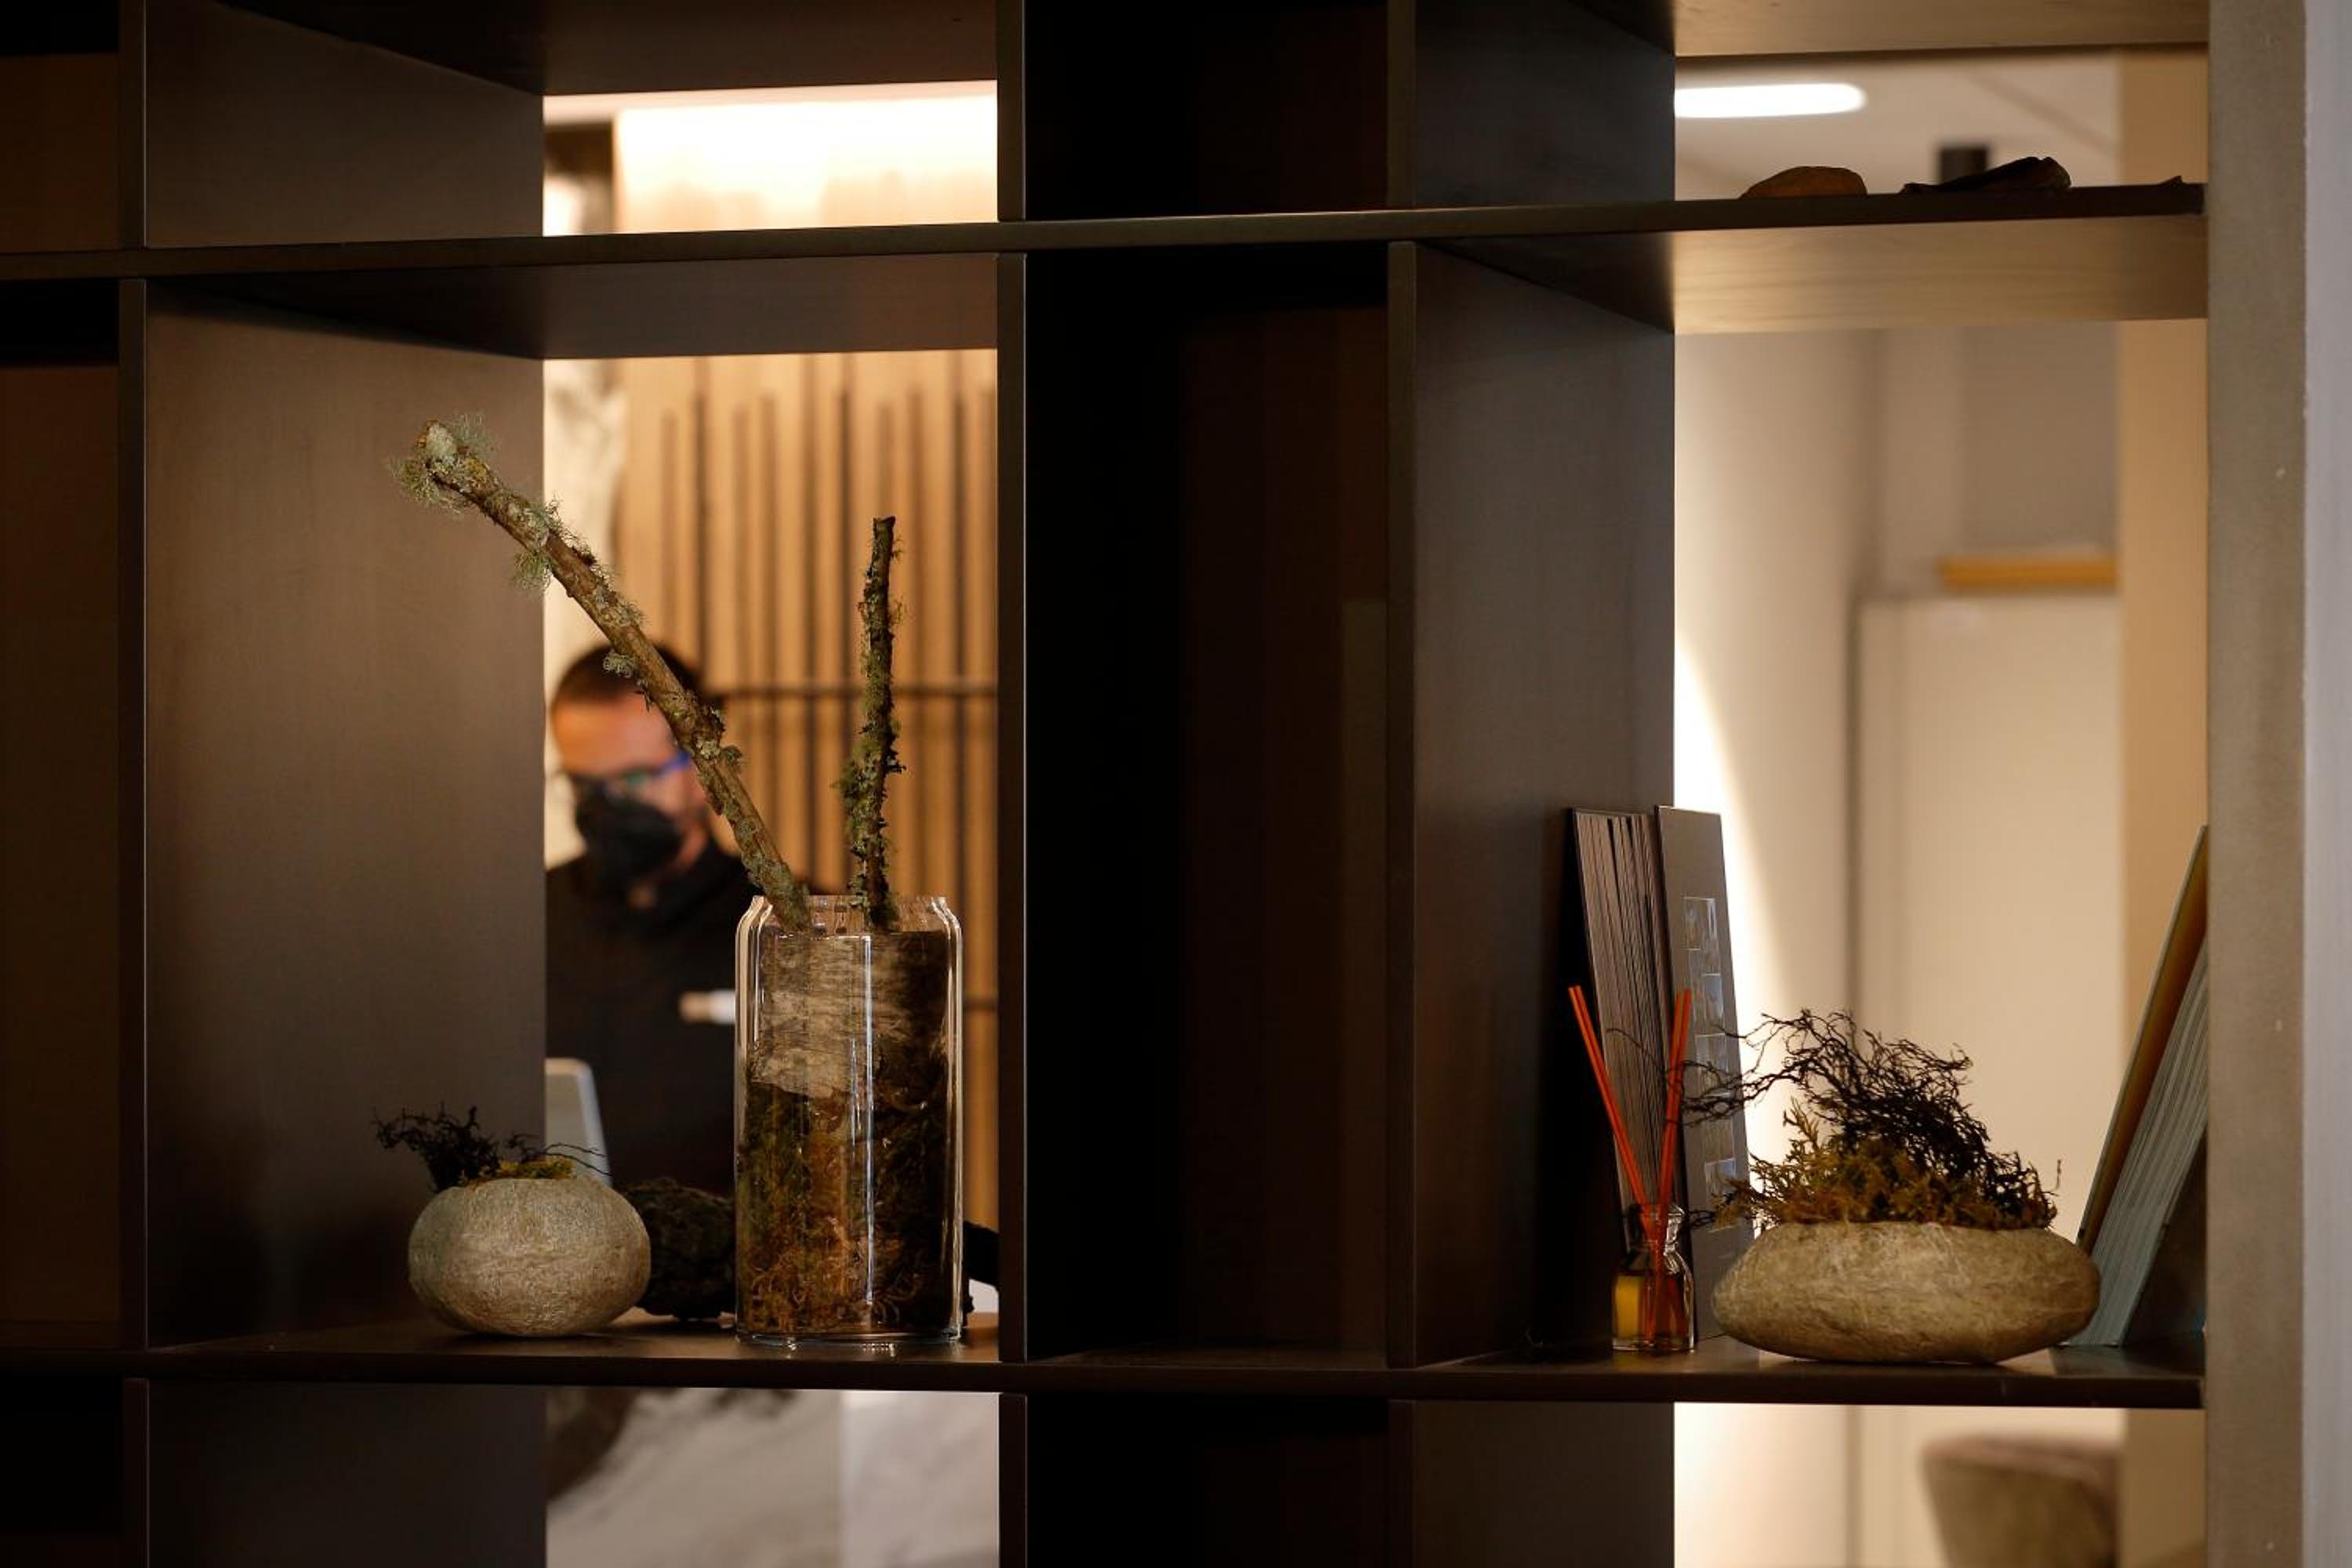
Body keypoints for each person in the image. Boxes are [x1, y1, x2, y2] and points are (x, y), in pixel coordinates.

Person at [545, 644, 753, 1193]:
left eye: (635, 781)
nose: (608, 807)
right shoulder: (525, 919)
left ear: (704, 768)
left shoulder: (780, 931)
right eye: (585, 787)